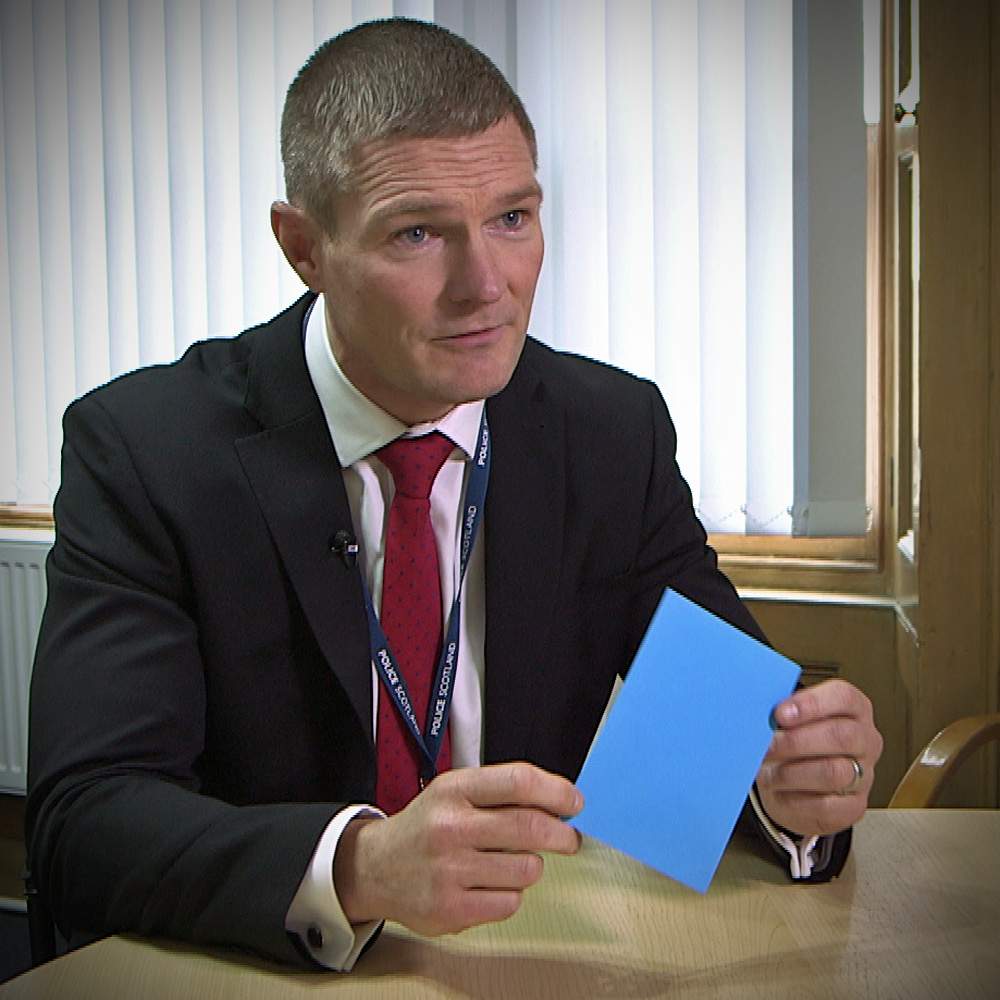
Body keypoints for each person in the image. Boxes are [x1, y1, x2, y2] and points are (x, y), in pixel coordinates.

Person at [26, 18, 883, 972]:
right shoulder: (148, 450)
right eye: (418, 232)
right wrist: (359, 865)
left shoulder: (607, 433)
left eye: (513, 218)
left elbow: (706, 746)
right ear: (303, 246)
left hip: (520, 967)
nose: (488, 287)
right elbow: (85, 823)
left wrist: (786, 776)